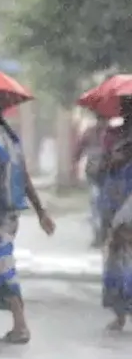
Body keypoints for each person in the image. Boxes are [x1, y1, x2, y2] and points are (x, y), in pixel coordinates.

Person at [0, 93, 55, 344]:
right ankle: (15, 323)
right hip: (11, 211)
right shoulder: (11, 138)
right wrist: (40, 212)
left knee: (1, 264)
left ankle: (20, 325)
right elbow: (24, 176)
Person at [99, 134, 132, 331]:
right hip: (115, 223)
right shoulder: (114, 173)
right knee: (115, 269)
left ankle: (121, 315)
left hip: (124, 223)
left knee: (122, 269)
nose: (114, 155)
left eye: (120, 152)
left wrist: (120, 225)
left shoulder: (128, 173)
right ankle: (119, 316)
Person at [74, 116, 110, 246]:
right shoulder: (93, 132)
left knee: (100, 205)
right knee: (97, 204)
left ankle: (102, 234)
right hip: (98, 174)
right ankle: (100, 235)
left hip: (105, 174)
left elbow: (78, 150)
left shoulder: (110, 133)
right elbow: (78, 150)